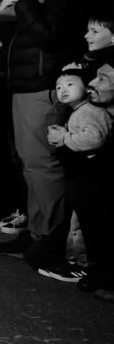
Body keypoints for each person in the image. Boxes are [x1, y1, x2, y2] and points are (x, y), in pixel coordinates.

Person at [0, 0, 87, 269]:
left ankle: (50, 237)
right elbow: (0, 18)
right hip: (26, 83)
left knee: (42, 165)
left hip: (42, 83)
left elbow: (49, 35)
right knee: (30, 164)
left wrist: (26, 1)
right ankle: (37, 232)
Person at [53, 63, 114, 294]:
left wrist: (64, 139)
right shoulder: (80, 111)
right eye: (59, 87)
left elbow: (93, 139)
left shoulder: (90, 111)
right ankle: (76, 262)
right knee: (76, 222)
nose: (63, 90)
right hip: (84, 177)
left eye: (69, 85)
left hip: (91, 178)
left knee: (80, 224)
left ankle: (81, 264)